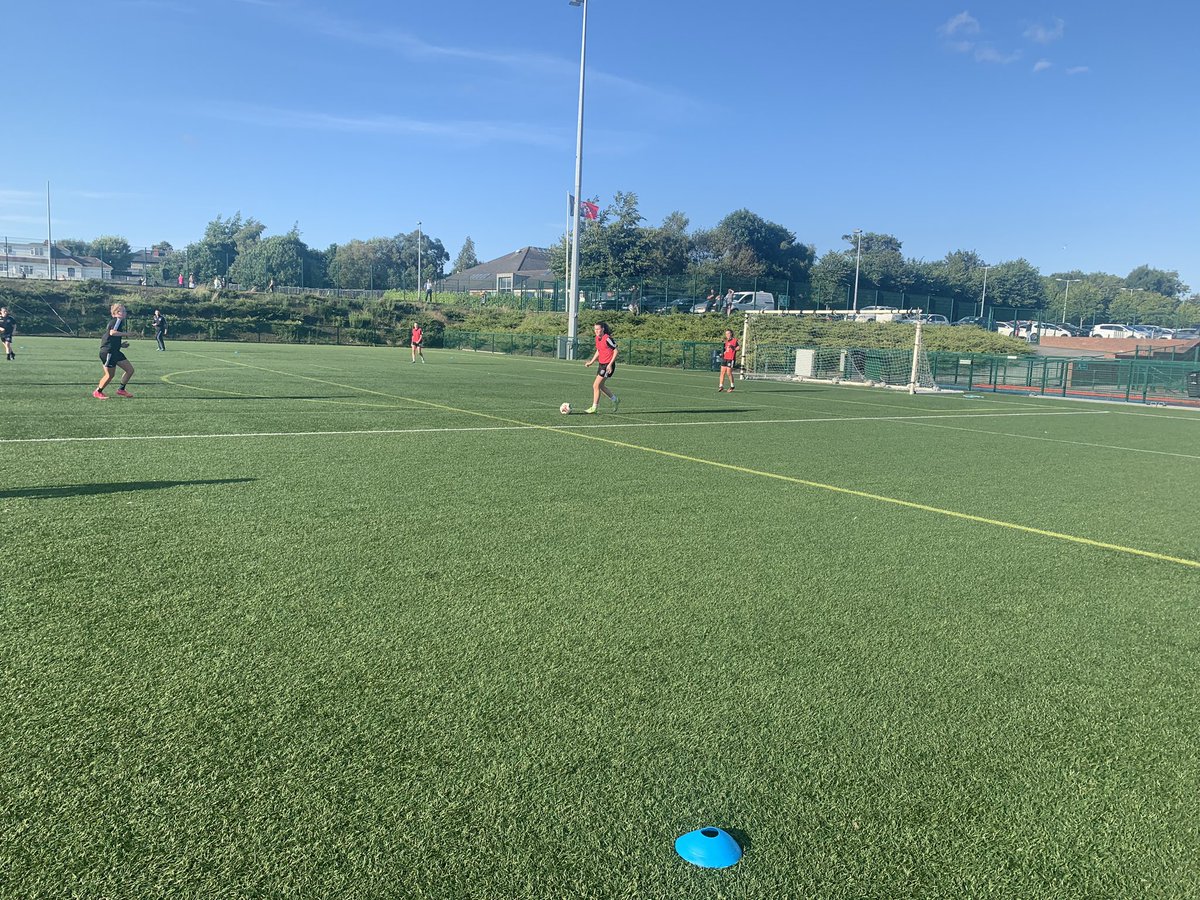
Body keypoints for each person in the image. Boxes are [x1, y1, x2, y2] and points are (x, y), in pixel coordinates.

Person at [94, 303, 135, 399]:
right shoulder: (117, 320)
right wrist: (127, 334)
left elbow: (109, 337)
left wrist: (120, 345)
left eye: (125, 311)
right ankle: (98, 391)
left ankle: (121, 390)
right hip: (109, 352)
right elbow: (112, 333)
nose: (125, 313)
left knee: (130, 370)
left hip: (115, 351)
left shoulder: (119, 321)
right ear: (116, 313)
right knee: (109, 375)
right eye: (123, 311)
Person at [583, 321, 619, 414]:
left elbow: (615, 350)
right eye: (595, 329)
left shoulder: (607, 338)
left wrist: (610, 364)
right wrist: (591, 362)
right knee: (601, 386)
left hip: (608, 365)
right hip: (601, 364)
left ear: (602, 329)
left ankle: (594, 407)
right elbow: (599, 351)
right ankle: (615, 399)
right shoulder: (597, 338)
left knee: (595, 385)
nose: (596, 331)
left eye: (598, 329)